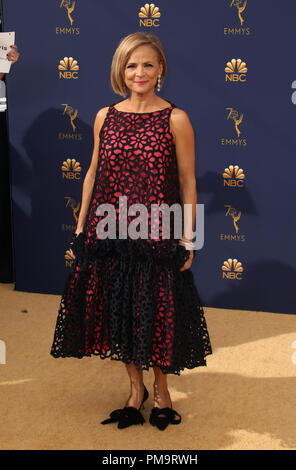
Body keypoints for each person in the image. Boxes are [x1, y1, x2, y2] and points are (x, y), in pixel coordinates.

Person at [50, 32, 213, 431]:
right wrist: (81, 224)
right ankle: (134, 390)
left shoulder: (175, 119)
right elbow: (92, 173)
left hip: (156, 233)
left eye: (147, 64)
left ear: (161, 70)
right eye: (130, 64)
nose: (139, 72)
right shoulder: (106, 116)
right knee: (118, 311)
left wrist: (189, 237)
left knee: (155, 312)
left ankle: (161, 390)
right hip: (110, 230)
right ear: (120, 71)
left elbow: (188, 181)